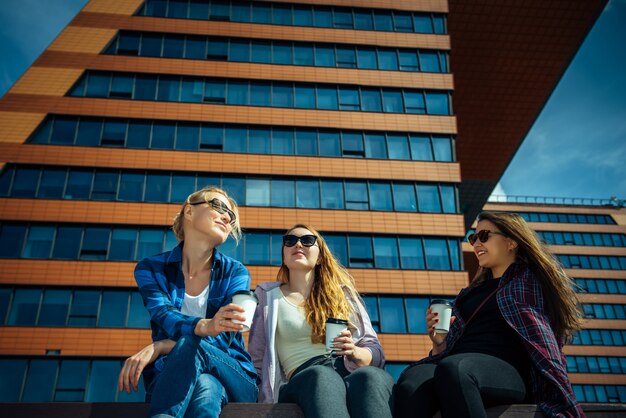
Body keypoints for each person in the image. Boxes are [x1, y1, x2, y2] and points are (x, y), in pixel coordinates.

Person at [395, 211, 585, 418]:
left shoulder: (528, 281)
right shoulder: (469, 293)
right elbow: (454, 347)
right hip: (456, 366)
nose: (476, 244)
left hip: (507, 371)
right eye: (473, 238)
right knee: (412, 381)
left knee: (455, 369)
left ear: (511, 241)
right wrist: (440, 344)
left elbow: (542, 338)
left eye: (484, 236)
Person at [117, 187, 258, 418]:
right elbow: (165, 314)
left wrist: (161, 346)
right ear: (189, 212)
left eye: (230, 216)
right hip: (171, 377)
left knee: (195, 352)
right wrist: (206, 326)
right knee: (207, 386)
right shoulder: (151, 269)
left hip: (234, 374)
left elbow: (225, 336)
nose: (226, 217)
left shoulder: (235, 272)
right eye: (219, 207)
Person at [248, 224, 394, 418]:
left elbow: (374, 351)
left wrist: (355, 351)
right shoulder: (268, 298)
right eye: (290, 241)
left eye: (307, 240)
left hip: (347, 370)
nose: (298, 244)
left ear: (320, 256)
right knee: (322, 376)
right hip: (304, 378)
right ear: (283, 254)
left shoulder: (343, 295)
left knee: (371, 376)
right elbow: (257, 358)